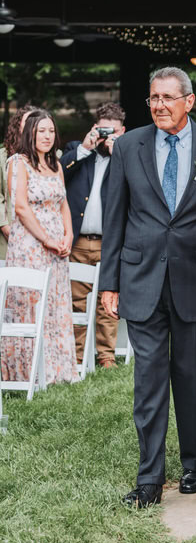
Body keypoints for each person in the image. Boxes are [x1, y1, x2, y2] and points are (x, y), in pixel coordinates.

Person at [99, 66, 196, 508]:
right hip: (141, 279)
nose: (158, 105)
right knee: (149, 381)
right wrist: (109, 283)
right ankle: (150, 479)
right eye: (153, 98)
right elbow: (114, 217)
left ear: (189, 101)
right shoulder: (127, 145)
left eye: (167, 98)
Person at [1, 110, 79, 385]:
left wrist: (68, 235)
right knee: (30, 307)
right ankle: (27, 373)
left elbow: (64, 204)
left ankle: (59, 372)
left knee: (56, 305)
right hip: (30, 246)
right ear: (29, 133)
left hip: (58, 246)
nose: (47, 136)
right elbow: (20, 207)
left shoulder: (55, 164)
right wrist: (47, 239)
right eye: (41, 131)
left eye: (51, 131)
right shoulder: (17, 162)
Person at [60, 103, 126, 369]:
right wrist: (85, 148)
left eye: (113, 130)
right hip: (78, 242)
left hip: (110, 244)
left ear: (123, 131)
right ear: (94, 128)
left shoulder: (127, 156)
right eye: (102, 128)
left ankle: (106, 356)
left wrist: (119, 153)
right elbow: (58, 175)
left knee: (108, 301)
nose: (106, 134)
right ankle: (77, 356)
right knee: (76, 302)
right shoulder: (76, 150)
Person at [0, 104, 38, 259]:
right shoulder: (2, 156)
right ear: (18, 127)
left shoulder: (54, 159)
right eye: (27, 124)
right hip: (8, 231)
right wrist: (4, 225)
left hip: (40, 234)